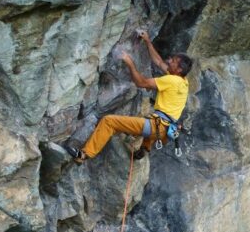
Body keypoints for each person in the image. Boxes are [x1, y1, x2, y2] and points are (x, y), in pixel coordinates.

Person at [66, 31, 192, 164]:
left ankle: (84, 155)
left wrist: (129, 62)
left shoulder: (171, 81)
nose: (169, 60)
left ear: (178, 70)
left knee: (109, 121)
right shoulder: (183, 82)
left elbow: (141, 83)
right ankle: (144, 149)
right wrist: (148, 41)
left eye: (173, 61)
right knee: (154, 122)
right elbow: (160, 62)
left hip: (157, 126)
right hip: (165, 130)